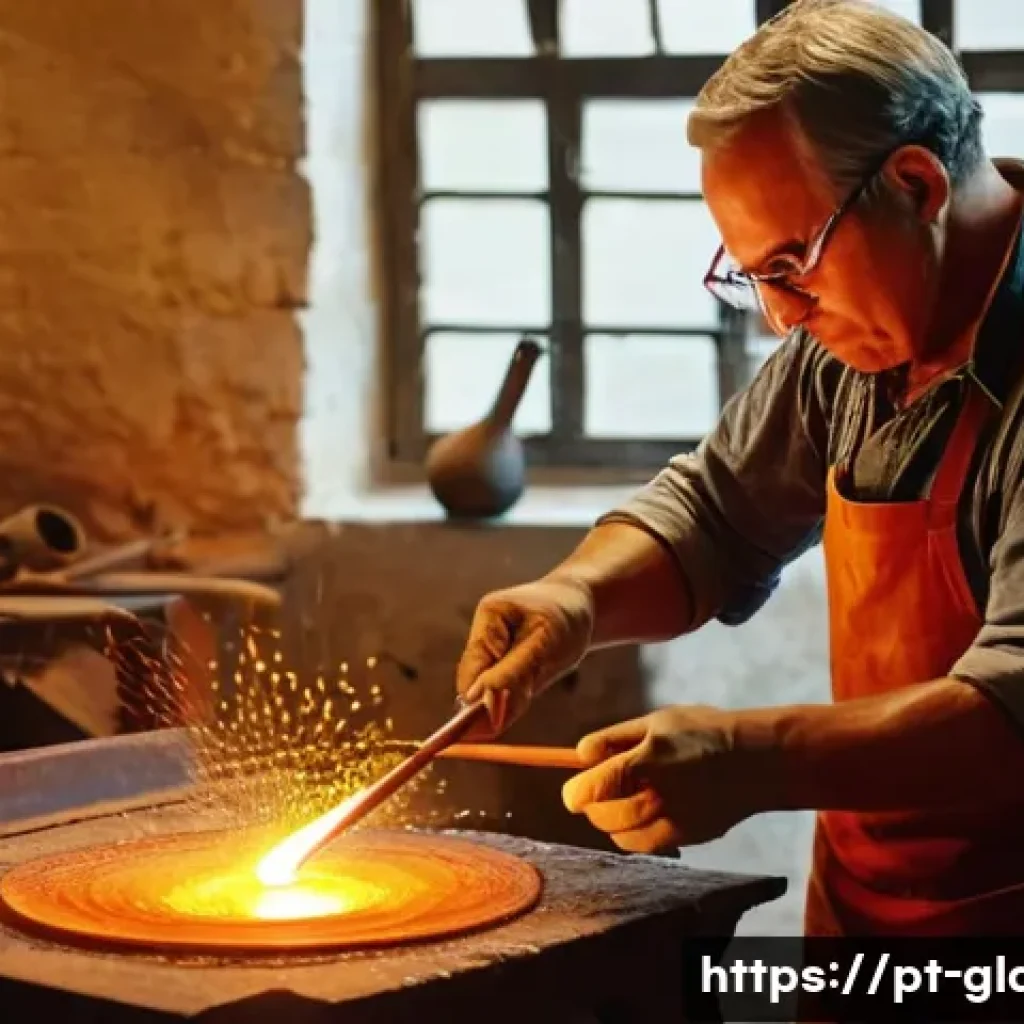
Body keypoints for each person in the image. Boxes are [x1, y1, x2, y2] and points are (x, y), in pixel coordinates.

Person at [453, 0, 1024, 938]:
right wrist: (577, 599)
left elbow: (1015, 709)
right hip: (867, 917)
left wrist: (750, 757)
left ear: (916, 184)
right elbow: (715, 516)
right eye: (754, 275)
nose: (781, 317)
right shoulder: (853, 348)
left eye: (794, 265)